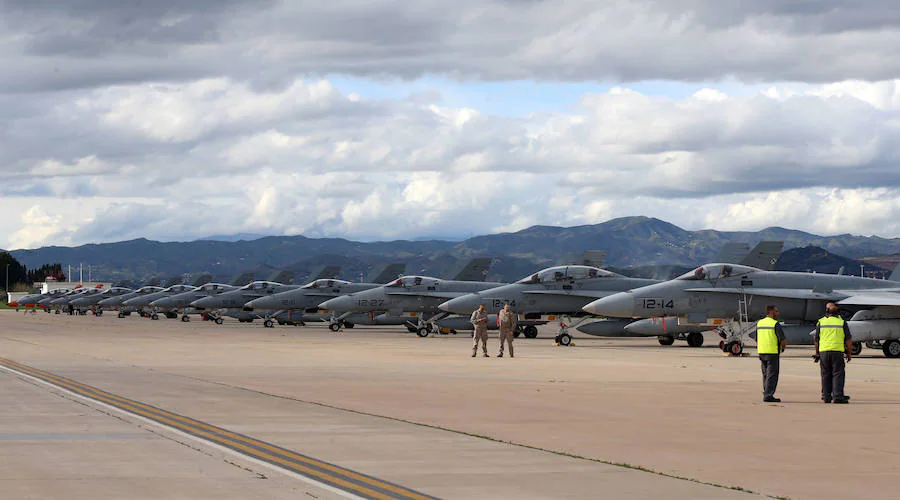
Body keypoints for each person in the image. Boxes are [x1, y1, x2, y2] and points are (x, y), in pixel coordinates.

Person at [815, 302, 852, 404]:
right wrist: (849, 353)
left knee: (825, 374)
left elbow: (816, 340)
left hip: (824, 352)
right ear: (838, 313)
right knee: (838, 374)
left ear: (827, 312)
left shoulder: (821, 322)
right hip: (837, 352)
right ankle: (838, 396)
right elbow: (848, 340)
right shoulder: (842, 323)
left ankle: (826, 397)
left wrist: (817, 352)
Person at [756, 305, 786, 402]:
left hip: (762, 352)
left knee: (765, 374)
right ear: (772, 313)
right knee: (772, 375)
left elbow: (757, 338)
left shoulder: (760, 323)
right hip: (772, 352)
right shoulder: (775, 324)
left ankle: (766, 392)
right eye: (776, 311)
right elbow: (782, 339)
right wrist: (783, 348)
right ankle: (768, 395)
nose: (778, 313)